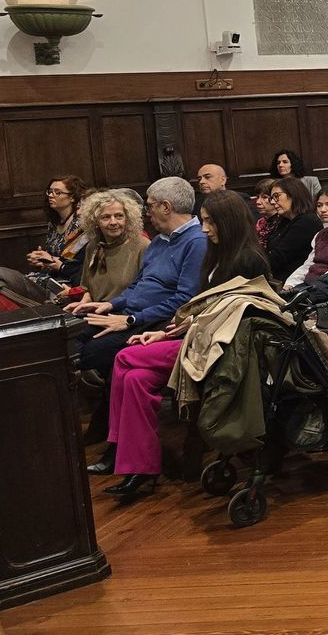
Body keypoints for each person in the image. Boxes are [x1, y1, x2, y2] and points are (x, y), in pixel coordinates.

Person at [87, 190, 269, 500]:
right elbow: (203, 310)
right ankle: (141, 468)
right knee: (135, 379)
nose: (204, 227)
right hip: (195, 338)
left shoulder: (247, 259)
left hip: (221, 351)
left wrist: (169, 333)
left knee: (125, 358)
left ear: (228, 223)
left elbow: (231, 319)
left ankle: (117, 447)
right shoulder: (215, 252)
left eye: (210, 222)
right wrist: (166, 333)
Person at [68, 177, 208, 382]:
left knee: (88, 352)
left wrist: (130, 320)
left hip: (152, 322)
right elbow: (138, 285)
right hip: (129, 314)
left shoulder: (196, 242)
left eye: (150, 206)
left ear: (166, 207)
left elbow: (184, 301)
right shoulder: (160, 240)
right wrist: (110, 304)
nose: (147, 213)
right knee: (69, 337)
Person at [75, 189, 149, 303]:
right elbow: (88, 289)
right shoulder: (93, 246)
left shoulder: (142, 246)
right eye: (105, 217)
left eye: (119, 216)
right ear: (95, 221)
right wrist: (81, 305)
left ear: (128, 218)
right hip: (97, 313)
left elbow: (146, 293)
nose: (113, 222)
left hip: (126, 314)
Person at [283, 185, 328, 291]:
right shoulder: (320, 234)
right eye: (319, 205)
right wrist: (291, 283)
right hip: (307, 286)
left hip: (325, 289)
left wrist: (305, 289)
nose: (323, 210)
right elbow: (308, 265)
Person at [28, 175, 89, 288]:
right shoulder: (53, 223)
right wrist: (41, 260)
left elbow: (77, 262)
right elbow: (53, 257)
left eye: (57, 192)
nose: (51, 195)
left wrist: (51, 261)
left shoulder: (81, 224)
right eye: (50, 192)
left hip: (71, 279)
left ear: (72, 197)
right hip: (53, 274)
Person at [264, 177, 322, 283]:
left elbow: (278, 257)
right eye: (271, 198)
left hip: (296, 283)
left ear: (293, 194)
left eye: (276, 196)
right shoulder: (285, 220)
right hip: (278, 279)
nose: (272, 202)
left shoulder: (307, 221)